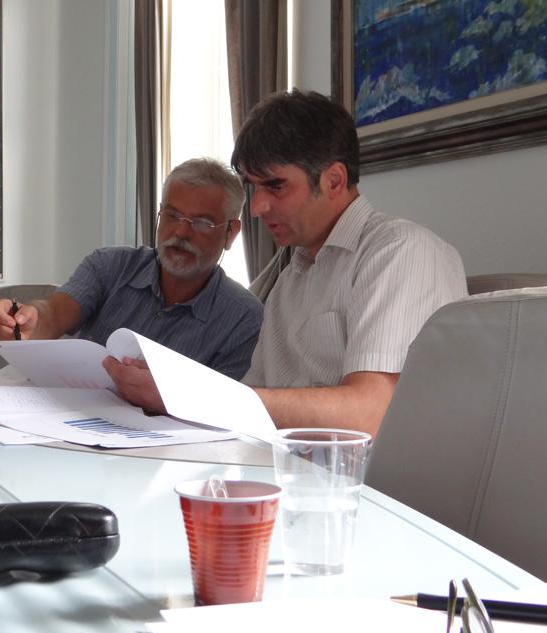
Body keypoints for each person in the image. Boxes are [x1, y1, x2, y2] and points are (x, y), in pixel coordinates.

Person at [104, 90, 467, 435]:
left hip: (362, 478)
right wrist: (172, 387)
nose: (257, 207)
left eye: (275, 186)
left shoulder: (401, 252)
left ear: (334, 181)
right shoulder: (292, 277)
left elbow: (368, 415)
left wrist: (190, 395)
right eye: (254, 188)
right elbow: (252, 400)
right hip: (282, 467)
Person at [0, 158, 263, 380]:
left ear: (230, 232)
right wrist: (29, 320)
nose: (180, 232)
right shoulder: (110, 267)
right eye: (172, 215)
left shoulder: (243, 318)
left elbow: (224, 410)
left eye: (201, 223)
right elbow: (55, 313)